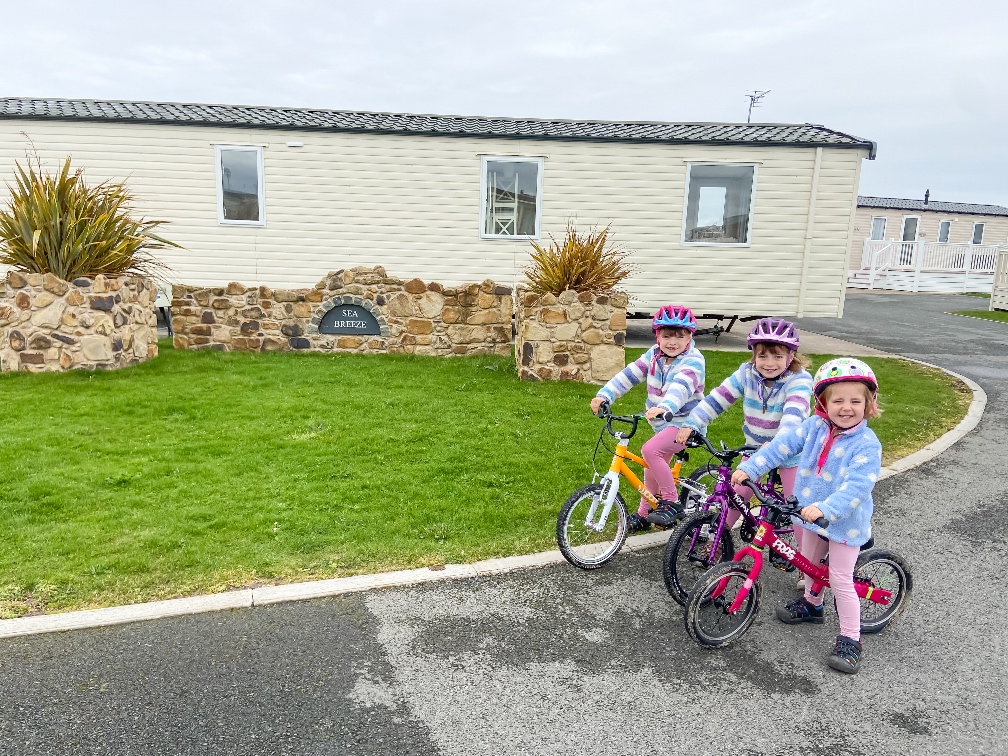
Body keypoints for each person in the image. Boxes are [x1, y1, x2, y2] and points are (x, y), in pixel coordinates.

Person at [731, 357, 883, 675]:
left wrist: (827, 509)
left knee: (840, 579)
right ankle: (812, 605)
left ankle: (851, 640)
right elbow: (781, 446)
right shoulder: (814, 427)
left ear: (869, 404)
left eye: (856, 400)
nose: (846, 407)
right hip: (808, 514)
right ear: (823, 403)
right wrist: (751, 467)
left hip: (843, 523)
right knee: (809, 565)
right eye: (837, 400)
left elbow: (857, 488)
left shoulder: (867, 444)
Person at [676, 318, 813, 565]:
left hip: (790, 453)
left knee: (798, 510)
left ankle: (806, 561)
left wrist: (775, 446)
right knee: (736, 495)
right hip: (755, 449)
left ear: (791, 356)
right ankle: (717, 544)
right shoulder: (746, 374)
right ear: (753, 355)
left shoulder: (799, 381)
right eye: (762, 356)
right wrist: (691, 423)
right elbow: (717, 399)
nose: (769, 363)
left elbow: (794, 418)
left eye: (777, 356)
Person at [590, 305, 705, 532]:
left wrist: (665, 406)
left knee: (650, 451)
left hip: (686, 423)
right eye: (666, 336)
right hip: (662, 423)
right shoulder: (654, 355)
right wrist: (604, 395)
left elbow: (681, 387)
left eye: (680, 336)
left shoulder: (693, 360)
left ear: (690, 336)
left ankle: (671, 502)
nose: (673, 341)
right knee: (650, 466)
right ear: (657, 336)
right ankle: (644, 513)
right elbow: (629, 375)